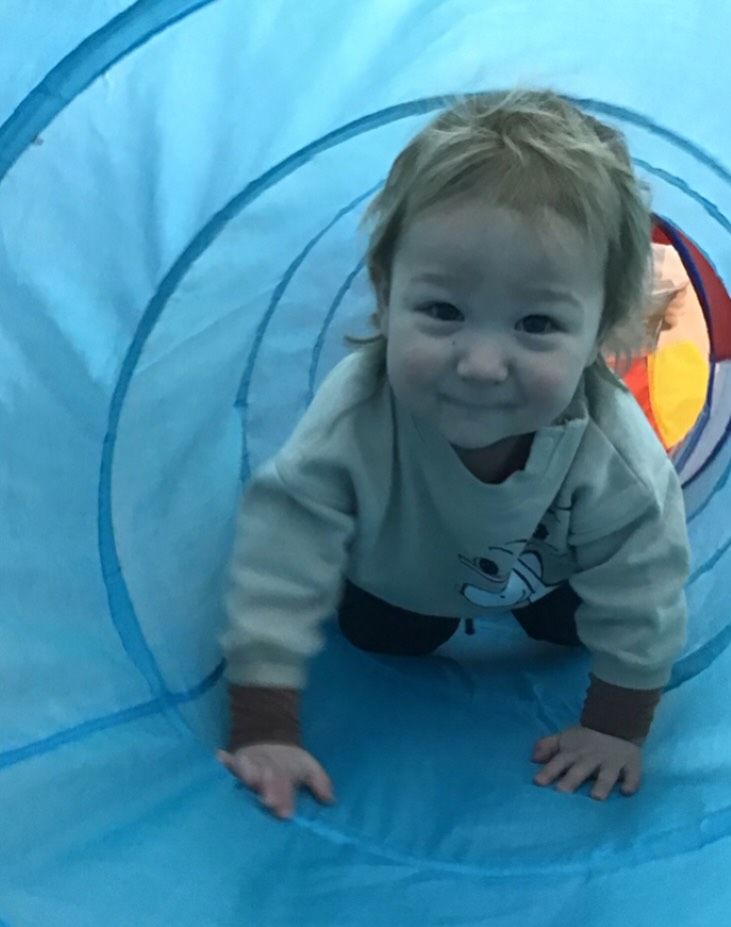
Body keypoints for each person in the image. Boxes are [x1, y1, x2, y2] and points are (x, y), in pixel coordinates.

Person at [216, 89, 690, 818]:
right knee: (381, 639)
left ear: (600, 330)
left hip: (550, 578)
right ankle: (417, 615)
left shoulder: (610, 452)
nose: (478, 362)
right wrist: (265, 724)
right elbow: (283, 554)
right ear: (384, 290)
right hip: (396, 574)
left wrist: (613, 727)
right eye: (442, 311)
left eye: (536, 322)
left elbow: (646, 588)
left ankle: (538, 622)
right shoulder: (357, 413)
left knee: (572, 633)